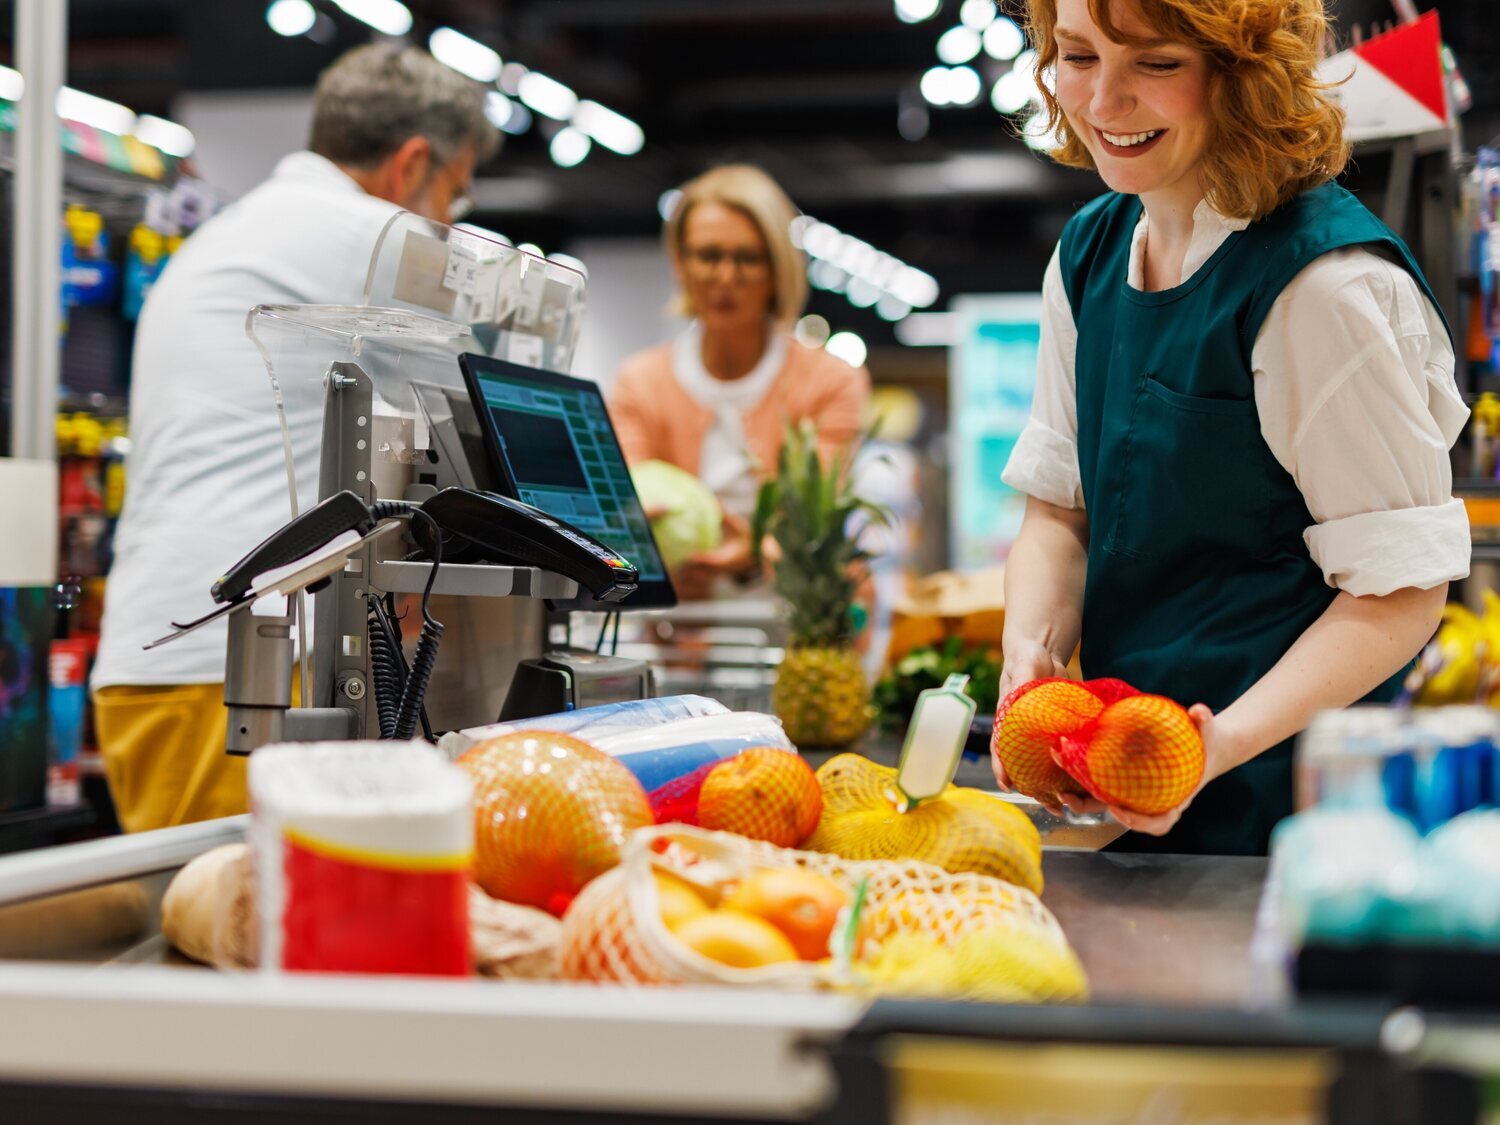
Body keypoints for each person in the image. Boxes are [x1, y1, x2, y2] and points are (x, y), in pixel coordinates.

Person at [994, 0, 1469, 854]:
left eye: (1156, 64)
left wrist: (1221, 746)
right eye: (1077, 54)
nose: (1103, 101)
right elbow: (1059, 511)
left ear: (1245, 72)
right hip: (1129, 800)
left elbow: (1399, 592)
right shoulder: (1087, 255)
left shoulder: (1322, 288)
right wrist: (1029, 648)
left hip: (1287, 820)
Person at [91, 45, 499, 832]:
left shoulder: (235, 233)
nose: (447, 219)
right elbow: (495, 390)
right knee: (264, 935)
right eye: (452, 192)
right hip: (244, 677)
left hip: (164, 663)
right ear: (412, 163)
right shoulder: (378, 236)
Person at [609, 165, 871, 599]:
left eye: (747, 258)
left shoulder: (832, 382)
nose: (726, 278)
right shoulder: (639, 383)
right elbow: (629, 506)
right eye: (708, 256)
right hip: (678, 622)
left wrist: (752, 555)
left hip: (797, 623)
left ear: (776, 268)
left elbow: (816, 523)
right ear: (680, 261)